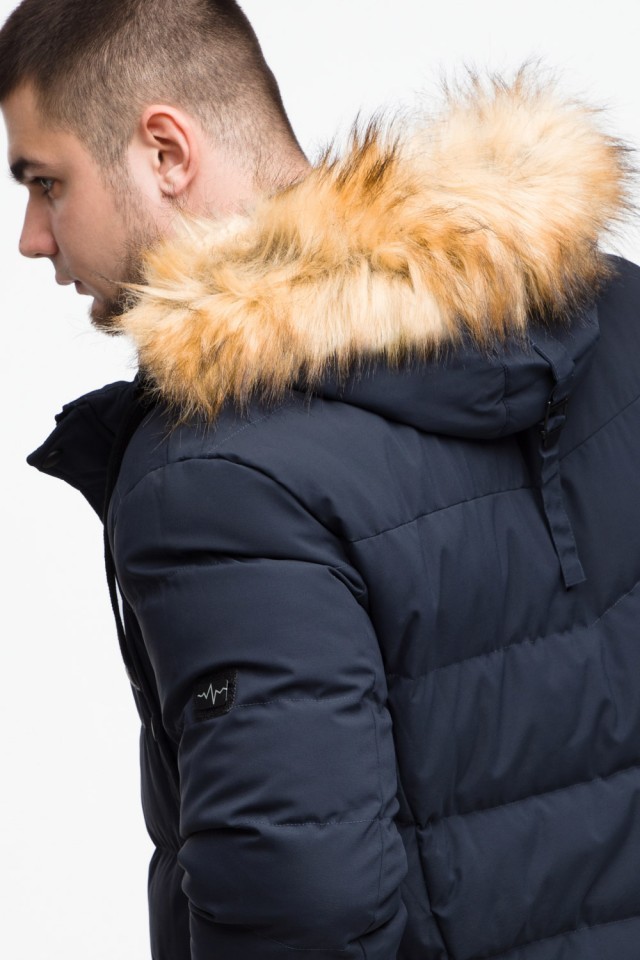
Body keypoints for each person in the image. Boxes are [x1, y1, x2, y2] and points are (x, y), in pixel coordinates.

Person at [2, 0, 640, 957]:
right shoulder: (614, 312)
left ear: (166, 152)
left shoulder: (211, 478)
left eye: (46, 182)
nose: (32, 237)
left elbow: (298, 911)